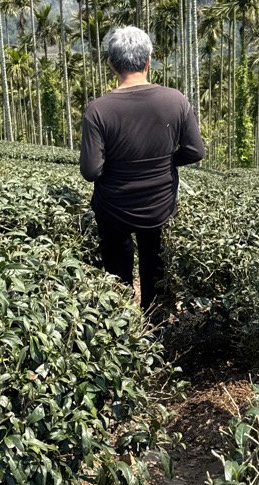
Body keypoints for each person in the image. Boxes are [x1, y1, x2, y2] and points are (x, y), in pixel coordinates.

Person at [80, 26, 205, 311]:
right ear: (148, 61)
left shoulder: (98, 110)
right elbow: (195, 151)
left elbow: (91, 171)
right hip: (159, 207)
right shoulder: (176, 100)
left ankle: (121, 322)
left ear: (111, 64)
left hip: (113, 210)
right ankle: (156, 324)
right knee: (156, 270)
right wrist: (165, 162)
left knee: (116, 277)